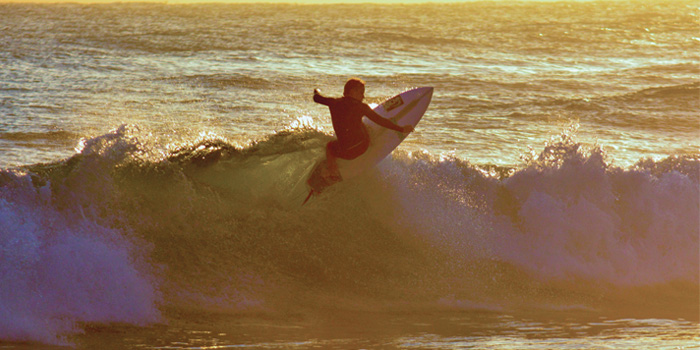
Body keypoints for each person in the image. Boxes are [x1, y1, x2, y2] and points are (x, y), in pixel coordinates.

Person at [313, 78, 414, 179]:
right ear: (353, 91)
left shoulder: (333, 103)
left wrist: (316, 92)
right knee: (361, 125)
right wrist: (401, 129)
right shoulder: (361, 107)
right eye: (361, 92)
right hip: (362, 146)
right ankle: (371, 139)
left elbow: (316, 99)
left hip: (346, 151)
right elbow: (380, 121)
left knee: (330, 146)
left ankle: (331, 169)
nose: (363, 96)